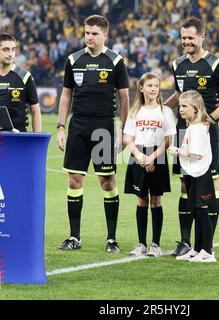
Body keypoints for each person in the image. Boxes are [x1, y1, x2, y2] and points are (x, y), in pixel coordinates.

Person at [56, 15, 129, 253]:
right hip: (78, 125)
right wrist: (61, 127)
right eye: (87, 32)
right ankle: (74, 237)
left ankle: (111, 239)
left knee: (107, 181)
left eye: (95, 33)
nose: (90, 37)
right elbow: (66, 94)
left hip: (104, 126)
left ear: (105, 36)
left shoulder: (115, 61)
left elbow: (124, 97)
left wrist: (124, 129)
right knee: (74, 180)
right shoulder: (73, 60)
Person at [165, 17, 219, 256]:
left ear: (202, 37)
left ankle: (207, 245)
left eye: (191, 38)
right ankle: (186, 242)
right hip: (183, 131)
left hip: (206, 132)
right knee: (186, 185)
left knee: (209, 186)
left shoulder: (217, 65)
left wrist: (208, 121)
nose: (186, 42)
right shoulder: (178, 64)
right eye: (183, 38)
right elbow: (178, 95)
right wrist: (160, 110)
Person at [123, 73, 176, 257]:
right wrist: (139, 156)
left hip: (157, 157)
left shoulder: (165, 111)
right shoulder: (135, 111)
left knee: (156, 200)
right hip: (138, 155)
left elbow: (168, 139)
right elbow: (128, 138)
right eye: (150, 86)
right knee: (141, 199)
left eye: (156, 86)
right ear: (141, 88)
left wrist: (152, 157)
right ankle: (141, 244)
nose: (153, 89)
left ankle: (155, 244)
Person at [169, 91, 216, 263]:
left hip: (200, 175)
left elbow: (197, 155)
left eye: (184, 106)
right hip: (192, 173)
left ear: (195, 109)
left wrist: (177, 151)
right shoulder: (192, 127)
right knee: (196, 211)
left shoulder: (198, 129)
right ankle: (197, 249)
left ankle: (208, 251)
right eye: (180, 106)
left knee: (202, 212)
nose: (180, 109)